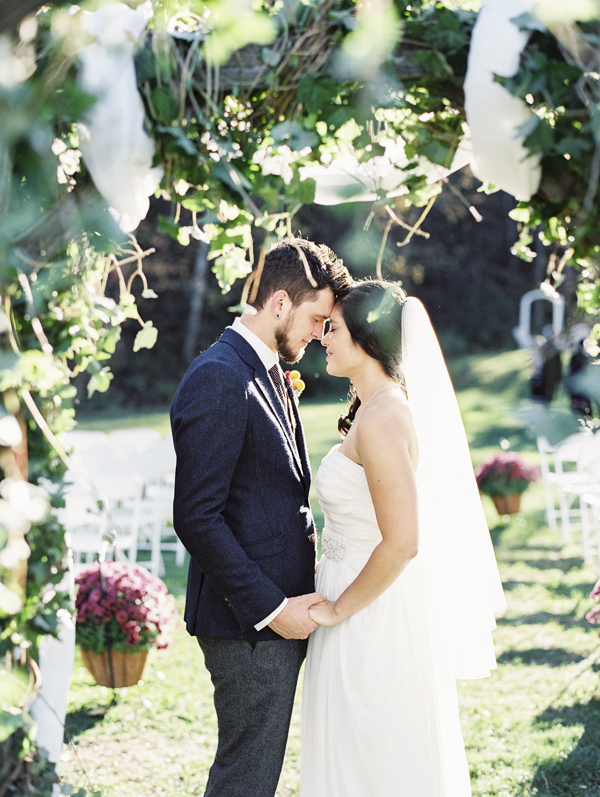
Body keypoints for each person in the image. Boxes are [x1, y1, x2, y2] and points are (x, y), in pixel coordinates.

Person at [300, 280, 506, 797]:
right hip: (356, 597)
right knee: (355, 754)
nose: (324, 337)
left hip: (371, 612)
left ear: (367, 338)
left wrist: (338, 610)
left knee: (374, 760)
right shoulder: (371, 410)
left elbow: (403, 541)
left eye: (335, 329)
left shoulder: (386, 415)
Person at [170, 237, 351, 797]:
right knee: (246, 778)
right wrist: (272, 611)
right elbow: (197, 518)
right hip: (247, 625)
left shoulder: (265, 367)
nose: (319, 333)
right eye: (316, 318)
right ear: (279, 303)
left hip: (278, 614)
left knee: (256, 773)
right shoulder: (219, 377)